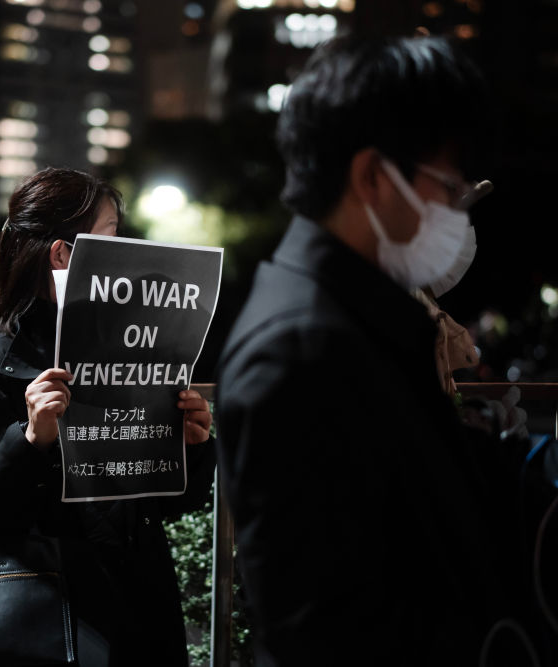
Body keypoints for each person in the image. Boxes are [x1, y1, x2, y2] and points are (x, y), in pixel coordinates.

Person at [215, 35, 537, 665]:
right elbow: (323, 632)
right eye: (446, 185)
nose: (454, 209)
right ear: (371, 177)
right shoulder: (297, 349)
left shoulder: (349, 317)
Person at [0, 167, 217, 667]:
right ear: (63, 255)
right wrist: (29, 441)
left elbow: (158, 507)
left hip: (136, 622)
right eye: (110, 239)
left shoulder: (126, 354)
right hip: (44, 631)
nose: (125, 257)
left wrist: (191, 445)